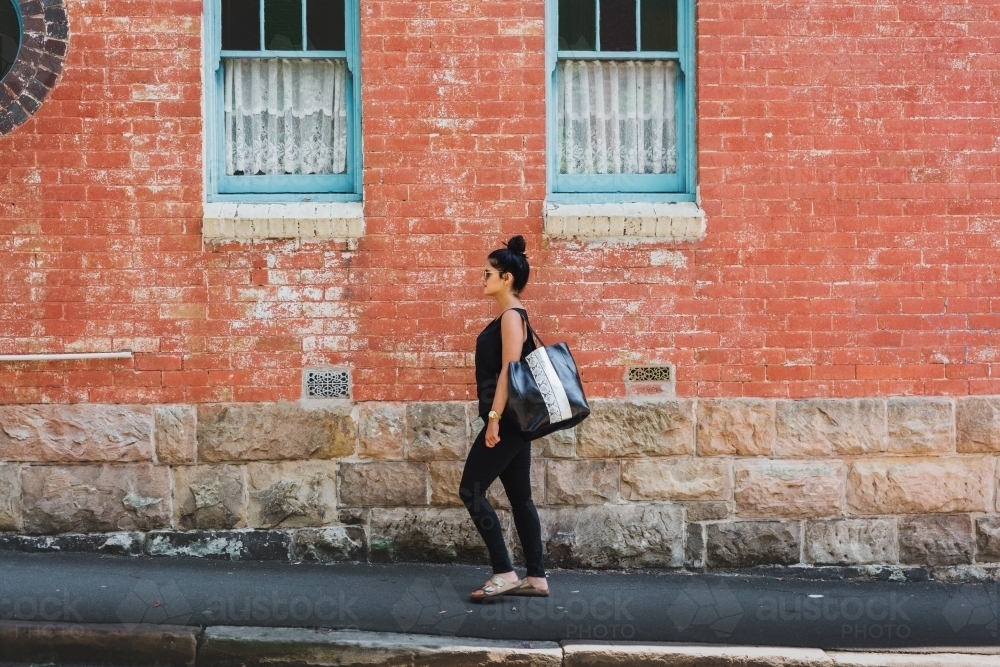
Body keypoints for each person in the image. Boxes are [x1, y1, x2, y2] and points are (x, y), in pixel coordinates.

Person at [460, 235, 549, 601]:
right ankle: (537, 578)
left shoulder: (512, 317)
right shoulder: (510, 316)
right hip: (514, 421)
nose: (483, 279)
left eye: (488, 273)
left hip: (508, 420)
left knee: (471, 490)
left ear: (506, 277)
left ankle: (503, 571)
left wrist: (494, 418)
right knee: (521, 498)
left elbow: (508, 373)